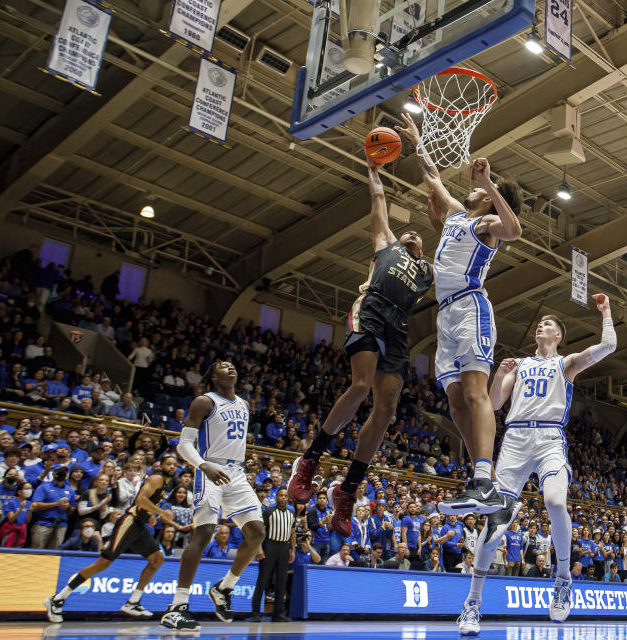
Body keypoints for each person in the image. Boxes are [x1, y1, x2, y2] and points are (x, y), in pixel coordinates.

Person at [289, 159, 433, 538]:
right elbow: (379, 200)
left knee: (385, 412)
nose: (413, 233)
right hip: (371, 309)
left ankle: (347, 489)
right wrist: (373, 172)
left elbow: (450, 240)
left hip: (398, 325)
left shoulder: (426, 272)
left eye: (419, 236)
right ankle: (310, 458)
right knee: (360, 385)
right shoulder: (386, 244)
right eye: (409, 232)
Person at [457, 294, 616, 634]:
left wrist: (606, 312)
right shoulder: (522, 364)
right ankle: (472, 604)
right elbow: (497, 402)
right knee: (496, 520)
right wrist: (499, 375)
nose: (540, 326)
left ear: (557, 335)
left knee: (556, 501)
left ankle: (562, 577)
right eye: (540, 324)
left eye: (548, 324)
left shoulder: (567, 363)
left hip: (549, 438)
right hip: (515, 440)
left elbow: (609, 345)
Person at [396, 114, 522, 516]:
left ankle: (485, 479)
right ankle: (483, 483)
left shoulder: (486, 221)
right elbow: (432, 176)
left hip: (471, 308)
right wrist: (418, 143)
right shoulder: (455, 214)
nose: (471, 187)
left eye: (483, 189)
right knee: (454, 402)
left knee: (474, 393)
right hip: (446, 315)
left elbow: (515, 230)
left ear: (488, 197)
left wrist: (490, 184)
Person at [160, 361, 266, 631]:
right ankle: (177, 606)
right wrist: (203, 465)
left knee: (256, 532)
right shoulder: (204, 402)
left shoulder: (244, 404)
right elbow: (184, 445)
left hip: (237, 472)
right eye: (223, 367)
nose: (231, 369)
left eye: (233, 366)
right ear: (214, 376)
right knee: (204, 532)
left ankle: (224, 588)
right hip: (209, 467)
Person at [43, 455, 178, 622]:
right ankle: (57, 599)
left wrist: (150, 514)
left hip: (139, 525)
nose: (172, 467)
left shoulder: (166, 483)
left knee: (157, 559)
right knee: (103, 563)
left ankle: (133, 601)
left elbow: (146, 504)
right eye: (169, 464)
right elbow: (140, 500)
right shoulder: (156, 478)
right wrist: (160, 512)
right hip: (129, 522)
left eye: (175, 464)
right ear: (161, 466)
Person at [252, 487, 295, 623]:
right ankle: (256, 613)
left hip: (284, 547)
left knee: (281, 581)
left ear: (288, 498)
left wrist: (292, 550)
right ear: (276, 496)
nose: (283, 497)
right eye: (280, 495)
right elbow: (260, 532)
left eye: (285, 496)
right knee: (263, 580)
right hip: (270, 545)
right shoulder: (268, 511)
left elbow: (292, 533)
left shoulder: (291, 513)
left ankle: (277, 614)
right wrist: (259, 548)